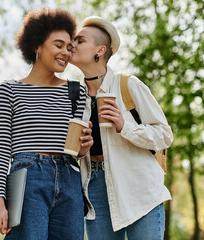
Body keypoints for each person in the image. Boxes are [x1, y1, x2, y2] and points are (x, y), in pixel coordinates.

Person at [0, 8, 93, 240]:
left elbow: (75, 149)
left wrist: (82, 149)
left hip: (69, 179)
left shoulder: (76, 90)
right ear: (37, 45)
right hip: (28, 179)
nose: (65, 53)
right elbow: (0, 149)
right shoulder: (10, 90)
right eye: (58, 45)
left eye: (69, 47)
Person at [69, 16, 173, 240]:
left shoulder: (128, 85)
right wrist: (80, 151)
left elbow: (165, 135)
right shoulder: (74, 97)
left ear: (100, 50)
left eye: (80, 41)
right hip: (95, 189)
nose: (72, 45)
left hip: (139, 190)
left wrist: (125, 126)